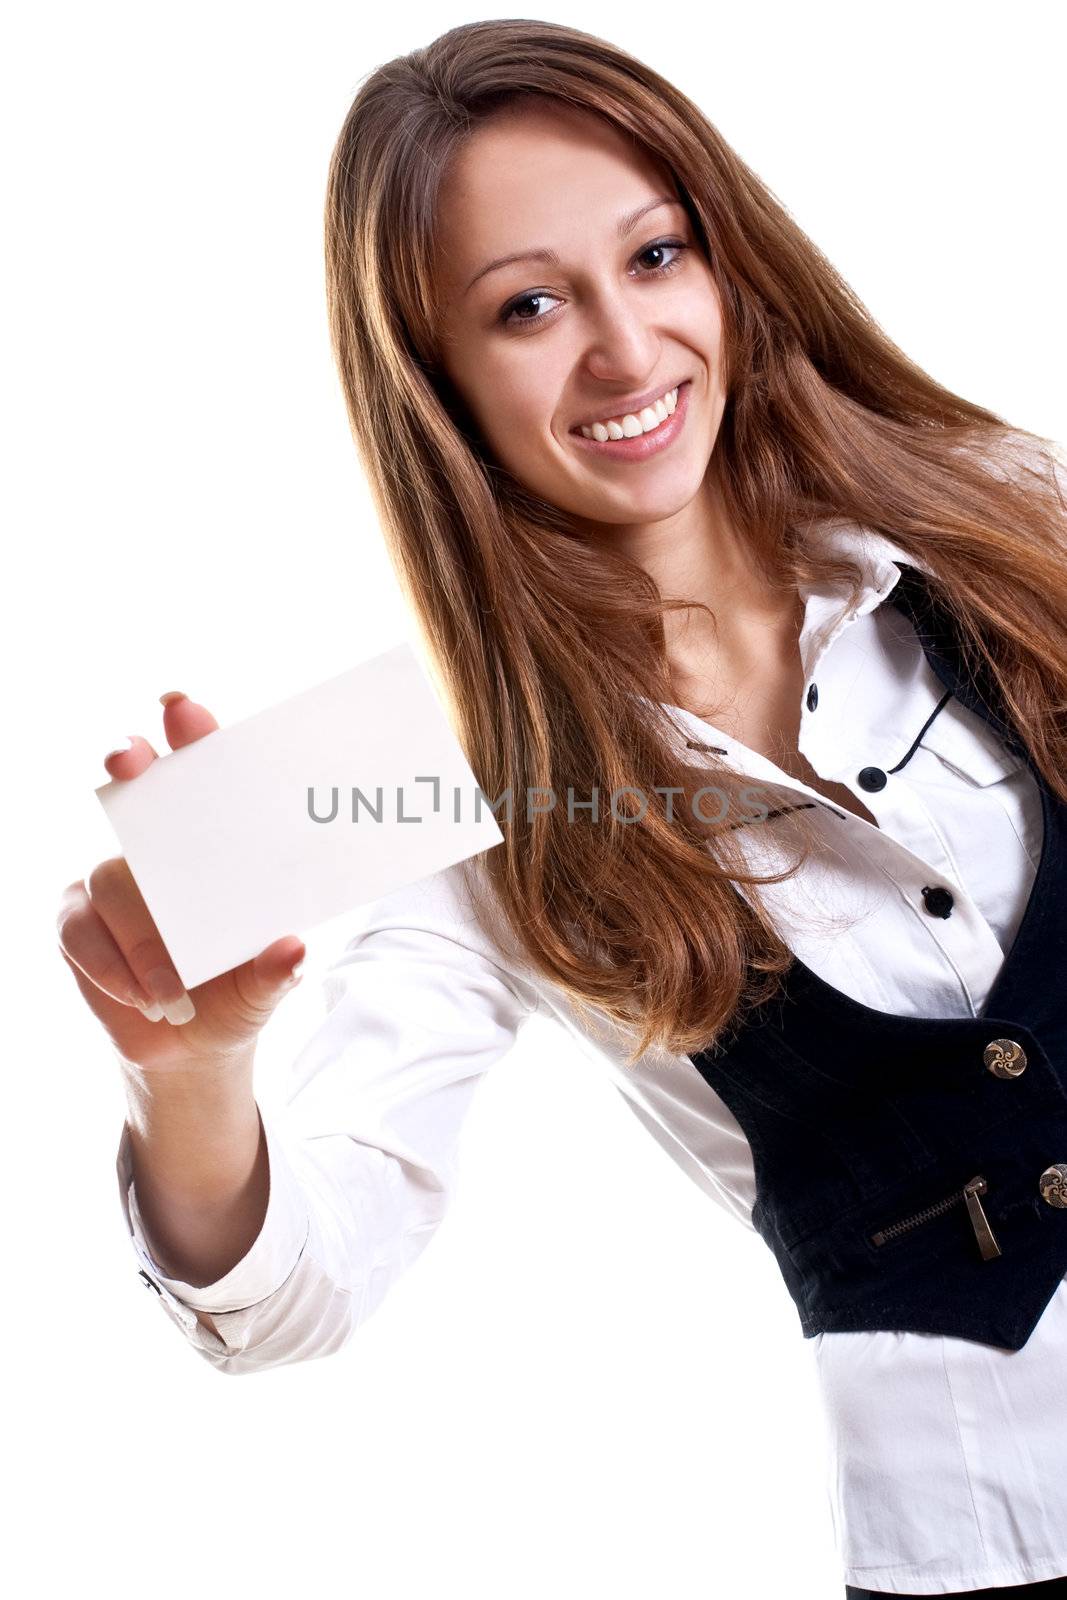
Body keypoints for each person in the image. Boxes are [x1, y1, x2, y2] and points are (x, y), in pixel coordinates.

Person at [55, 19, 1067, 1599]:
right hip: (999, 1540)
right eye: (527, 306)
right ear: (437, 380)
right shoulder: (445, 788)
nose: (625, 349)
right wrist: (192, 1072)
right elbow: (297, 1288)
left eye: (657, 256)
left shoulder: (1004, 520)